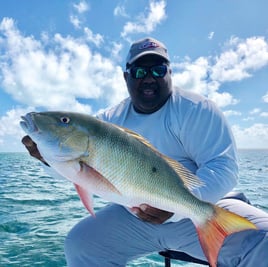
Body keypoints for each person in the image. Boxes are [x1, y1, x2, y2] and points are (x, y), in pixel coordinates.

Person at [22, 37, 268, 266]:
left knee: (264, 240)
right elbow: (76, 171)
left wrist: (178, 208)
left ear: (170, 72)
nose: (149, 78)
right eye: (140, 71)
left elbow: (223, 168)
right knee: (81, 244)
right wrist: (45, 158)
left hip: (204, 206)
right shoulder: (108, 121)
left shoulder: (197, 109)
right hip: (134, 217)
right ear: (126, 77)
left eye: (158, 70)